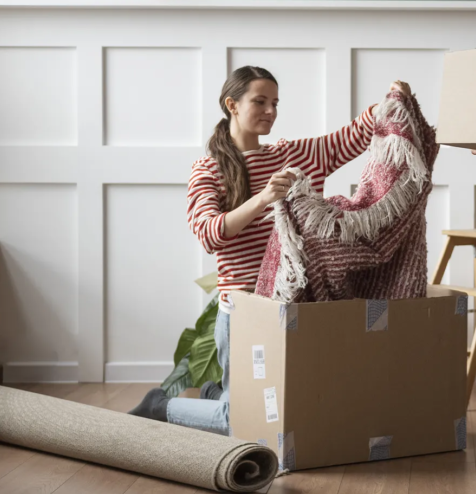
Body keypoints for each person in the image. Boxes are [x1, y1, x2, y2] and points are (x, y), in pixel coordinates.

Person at [130, 66, 411, 433]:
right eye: (259, 101)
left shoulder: (291, 155)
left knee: (283, 402)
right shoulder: (208, 169)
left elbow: (350, 137)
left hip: (289, 304)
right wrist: (264, 198)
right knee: (243, 421)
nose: (270, 111)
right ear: (232, 104)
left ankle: (215, 394)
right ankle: (160, 406)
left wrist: (392, 99)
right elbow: (208, 232)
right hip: (244, 309)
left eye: (275, 103)